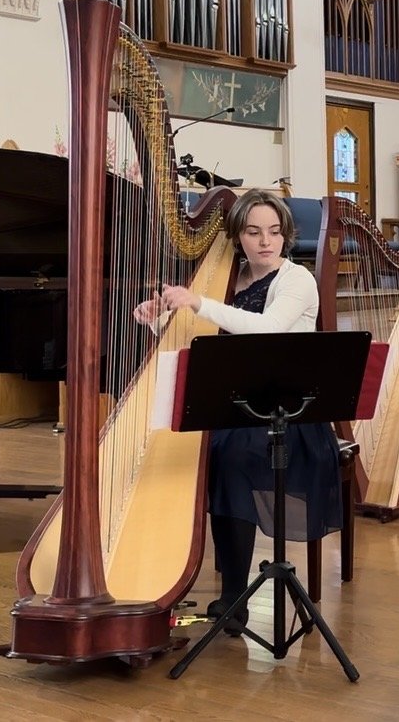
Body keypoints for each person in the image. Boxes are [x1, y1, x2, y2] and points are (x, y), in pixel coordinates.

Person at [134, 188, 343, 631]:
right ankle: (161, 573)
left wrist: (198, 303)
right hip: (237, 406)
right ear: (237, 237)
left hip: (287, 415)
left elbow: (266, 331)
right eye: (253, 232)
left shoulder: (296, 280)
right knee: (181, 450)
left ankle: (234, 597)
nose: (265, 241)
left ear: (286, 235)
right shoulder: (228, 277)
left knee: (228, 456)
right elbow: (191, 340)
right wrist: (155, 316)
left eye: (274, 231)